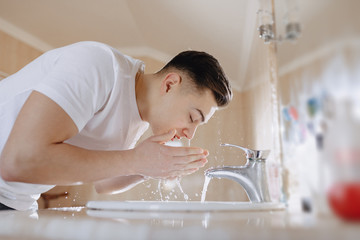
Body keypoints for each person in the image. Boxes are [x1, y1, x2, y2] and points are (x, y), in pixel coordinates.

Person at [0, 41, 232, 211]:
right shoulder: (98, 65)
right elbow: (18, 161)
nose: (190, 133)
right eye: (192, 117)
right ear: (170, 84)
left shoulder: (139, 118)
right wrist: (138, 160)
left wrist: (152, 168)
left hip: (17, 203)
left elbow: (104, 182)